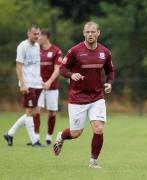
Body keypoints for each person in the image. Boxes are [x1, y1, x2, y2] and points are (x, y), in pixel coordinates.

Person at [53, 21, 114, 169]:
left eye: (93, 32)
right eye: (87, 32)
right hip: (77, 98)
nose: (90, 35)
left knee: (98, 128)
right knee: (75, 133)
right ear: (83, 33)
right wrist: (71, 75)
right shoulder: (75, 51)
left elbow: (110, 71)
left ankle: (93, 162)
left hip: (97, 97)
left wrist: (109, 83)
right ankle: (61, 136)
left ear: (98, 33)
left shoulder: (105, 52)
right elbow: (62, 69)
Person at [3, 25, 43, 147]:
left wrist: (40, 79)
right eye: (34, 34)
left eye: (38, 34)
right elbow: (19, 66)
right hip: (28, 84)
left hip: (37, 83)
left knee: (36, 111)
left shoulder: (37, 46)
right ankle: (34, 141)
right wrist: (22, 84)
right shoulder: (22, 46)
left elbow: (36, 64)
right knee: (30, 111)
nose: (37, 36)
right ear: (28, 33)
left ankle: (10, 133)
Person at [32, 29, 62, 145]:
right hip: (38, 85)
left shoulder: (56, 51)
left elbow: (57, 69)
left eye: (39, 36)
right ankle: (36, 137)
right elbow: (32, 67)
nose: (37, 38)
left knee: (52, 112)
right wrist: (39, 80)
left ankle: (49, 137)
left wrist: (49, 82)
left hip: (52, 86)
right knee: (36, 110)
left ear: (45, 37)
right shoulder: (35, 50)